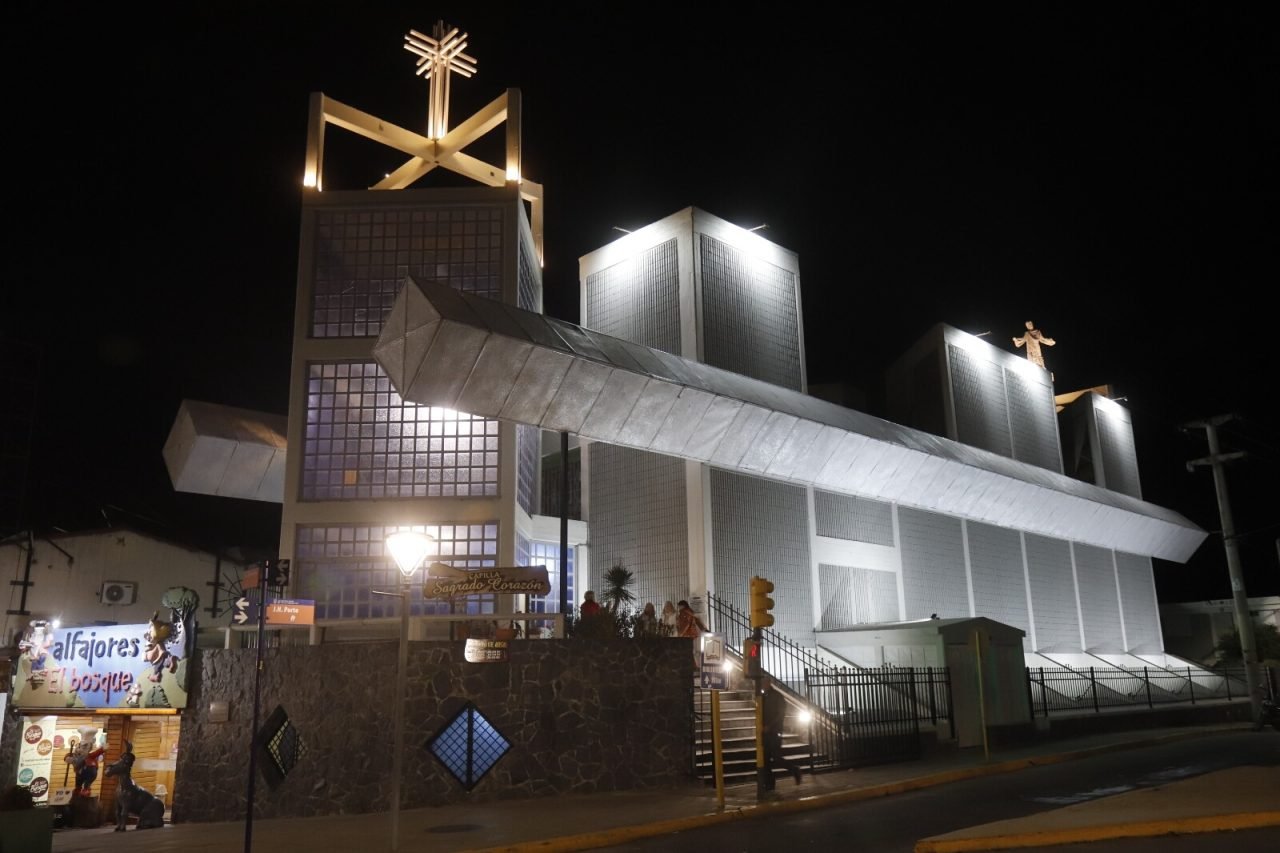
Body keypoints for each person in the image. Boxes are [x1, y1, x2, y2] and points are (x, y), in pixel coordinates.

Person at [762, 676, 804, 788]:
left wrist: (769, 726)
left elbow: (780, 715)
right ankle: (770, 784)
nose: (762, 685)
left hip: (775, 732)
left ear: (768, 683)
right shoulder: (763, 696)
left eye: (764, 683)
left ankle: (794, 769)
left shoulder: (777, 696)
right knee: (765, 759)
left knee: (776, 758)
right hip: (765, 733)